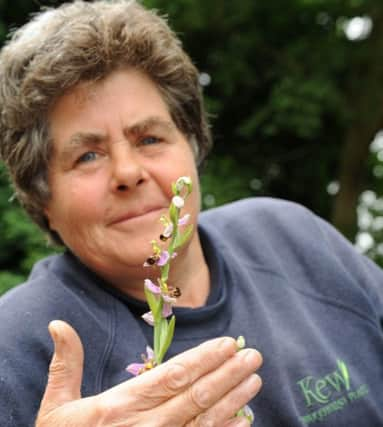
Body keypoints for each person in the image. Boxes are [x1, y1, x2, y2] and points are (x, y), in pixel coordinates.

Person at [0, 1, 382, 426]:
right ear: (42, 199)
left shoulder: (297, 239)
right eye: (88, 155)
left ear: (192, 146)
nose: (128, 172)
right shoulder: (13, 350)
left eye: (149, 139)